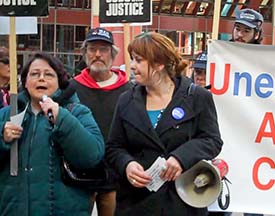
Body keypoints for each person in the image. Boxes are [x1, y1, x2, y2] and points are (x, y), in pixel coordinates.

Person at [106, 32, 223, 216]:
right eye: (132, 60)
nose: (133, 66)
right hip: (136, 204)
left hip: (183, 203)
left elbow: (212, 140)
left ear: (159, 64)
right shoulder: (126, 100)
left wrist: (181, 158)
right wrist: (127, 165)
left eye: (138, 60)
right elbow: (114, 147)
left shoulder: (197, 97)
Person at [0, 52, 104, 215]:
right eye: (34, 74)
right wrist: (2, 137)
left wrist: (62, 119)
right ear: (25, 82)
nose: (41, 78)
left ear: (59, 82)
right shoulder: (7, 114)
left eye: (48, 74)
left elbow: (92, 156)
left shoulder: (77, 113)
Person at [71, 27, 131, 216]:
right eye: (92, 49)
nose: (97, 54)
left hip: (115, 174)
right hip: (79, 174)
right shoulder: (71, 88)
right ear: (85, 53)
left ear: (112, 54)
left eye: (103, 49)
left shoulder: (129, 91)